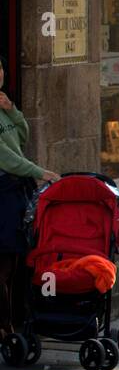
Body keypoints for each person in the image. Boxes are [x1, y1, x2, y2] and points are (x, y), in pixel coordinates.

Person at [0, 54, 58, 341]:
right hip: (3, 190)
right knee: (4, 263)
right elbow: (7, 157)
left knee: (20, 257)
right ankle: (6, 326)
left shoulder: (3, 104)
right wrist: (40, 172)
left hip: (16, 189)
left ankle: (17, 319)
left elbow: (22, 137)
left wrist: (12, 111)